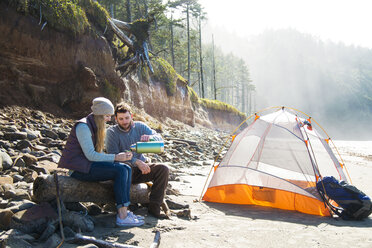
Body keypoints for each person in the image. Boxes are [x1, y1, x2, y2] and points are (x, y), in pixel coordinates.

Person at [58, 97, 144, 227]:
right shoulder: (83, 126)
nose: (109, 119)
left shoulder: (95, 125)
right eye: (107, 116)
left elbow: (98, 155)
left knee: (126, 168)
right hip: (78, 169)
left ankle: (125, 211)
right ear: (99, 114)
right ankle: (122, 216)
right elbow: (91, 155)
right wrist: (116, 157)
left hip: (88, 166)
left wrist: (119, 158)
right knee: (120, 169)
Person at [105, 102, 169, 218]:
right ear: (116, 119)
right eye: (121, 119)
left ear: (132, 116)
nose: (124, 121)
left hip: (141, 170)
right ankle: (125, 209)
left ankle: (154, 208)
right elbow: (113, 155)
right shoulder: (111, 132)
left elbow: (159, 139)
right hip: (123, 171)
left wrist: (150, 138)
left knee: (163, 169)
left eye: (127, 118)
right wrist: (136, 162)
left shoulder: (140, 126)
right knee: (125, 168)